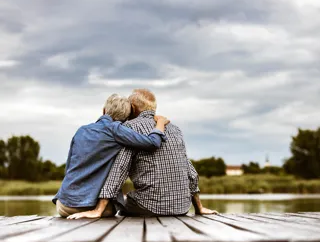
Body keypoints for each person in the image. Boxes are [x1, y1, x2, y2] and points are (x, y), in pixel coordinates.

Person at [68, 89, 217, 219]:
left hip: (148, 207)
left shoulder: (129, 128)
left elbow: (119, 170)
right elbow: (190, 171)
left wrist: (98, 210)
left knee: (121, 203)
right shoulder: (175, 129)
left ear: (132, 108)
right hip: (182, 208)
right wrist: (199, 208)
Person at [53, 93, 169, 218]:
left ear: (104, 111)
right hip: (89, 206)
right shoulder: (116, 130)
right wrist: (160, 123)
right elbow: (153, 143)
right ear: (127, 117)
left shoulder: (81, 130)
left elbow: (69, 168)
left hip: (64, 204)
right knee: (118, 208)